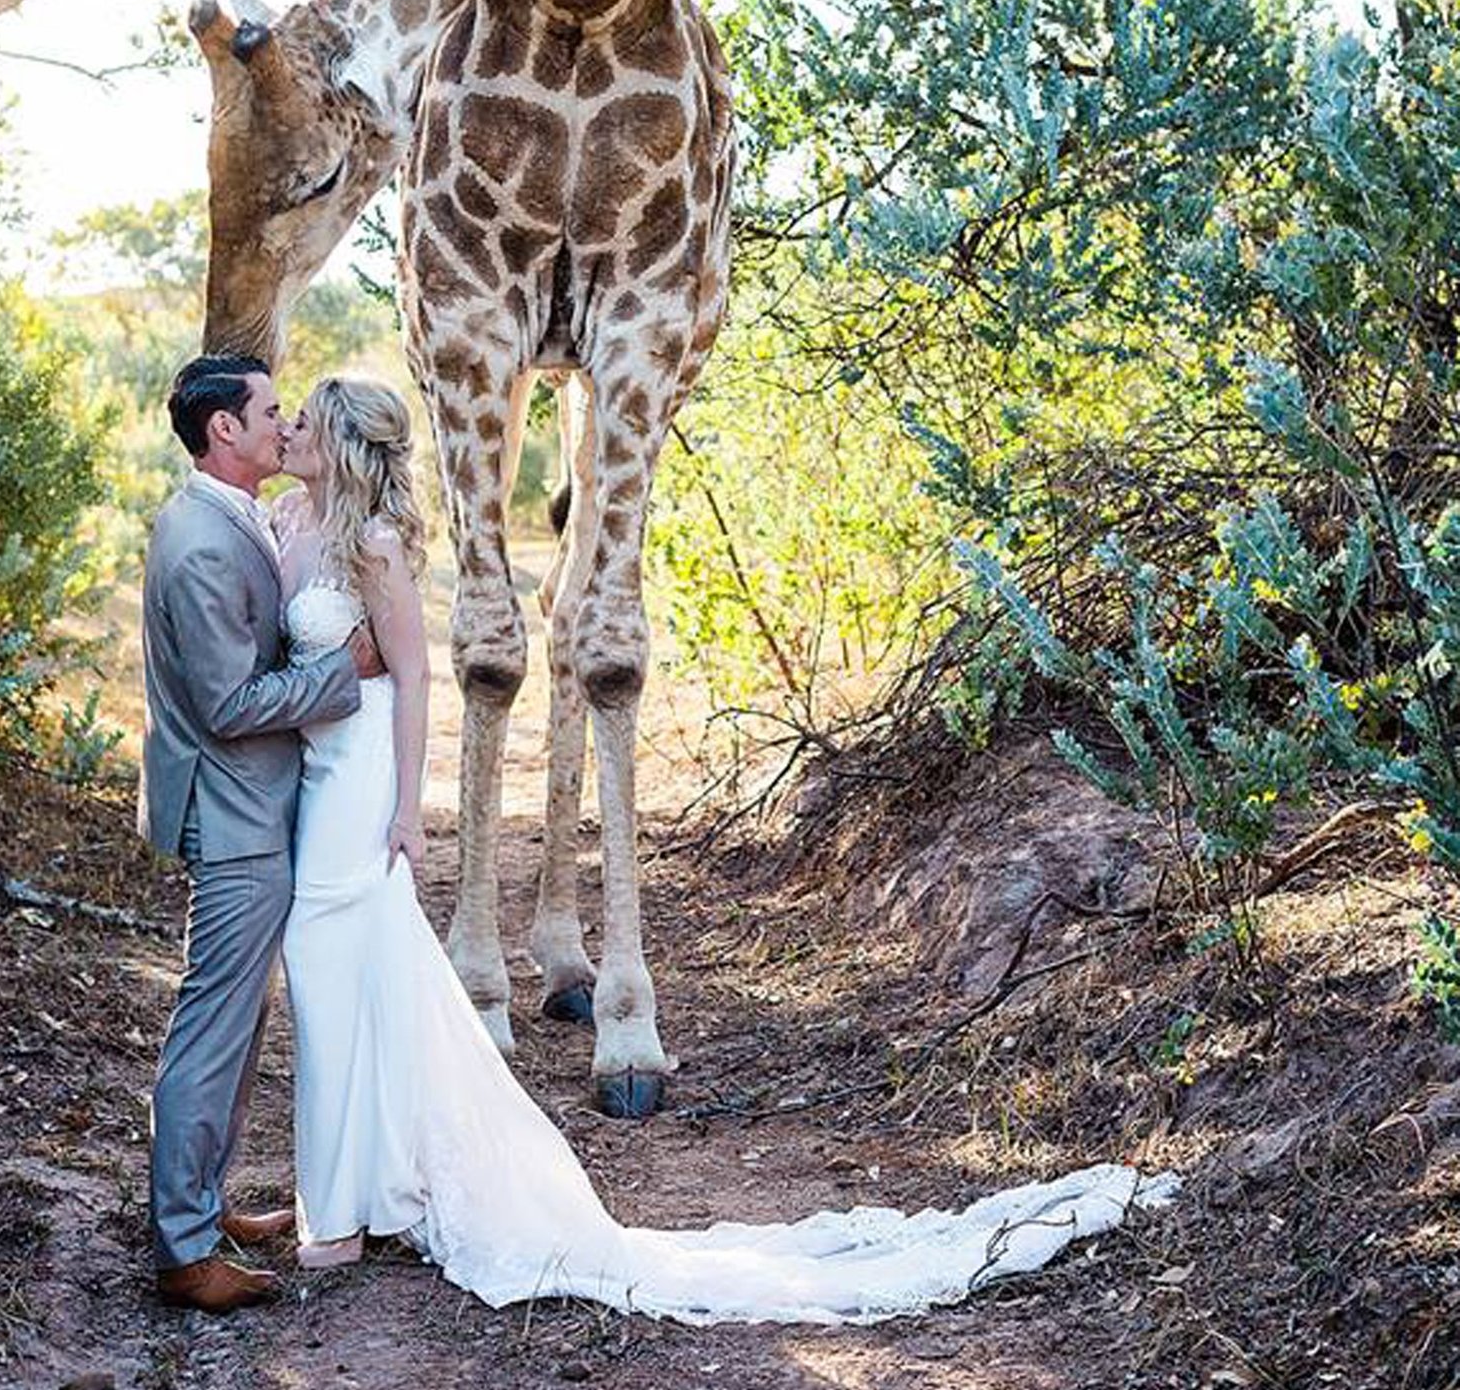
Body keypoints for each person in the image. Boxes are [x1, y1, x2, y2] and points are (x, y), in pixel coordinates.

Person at [276, 373, 1178, 1322]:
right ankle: (362, 1188)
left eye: (303, 421)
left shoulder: (376, 547)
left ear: (339, 442)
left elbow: (414, 677)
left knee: (339, 968)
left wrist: (408, 809)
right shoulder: (294, 523)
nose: (289, 428)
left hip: (359, 782)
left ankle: (338, 1211)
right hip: (315, 777)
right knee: (354, 980)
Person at [140, 353, 383, 1314]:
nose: (286, 426)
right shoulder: (201, 542)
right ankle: (184, 1250)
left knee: (238, 1025)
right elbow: (230, 702)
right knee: (212, 1027)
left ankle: (203, 1206)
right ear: (225, 431)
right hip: (234, 811)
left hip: (253, 802)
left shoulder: (235, 516)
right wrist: (344, 670)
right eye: (272, 412)